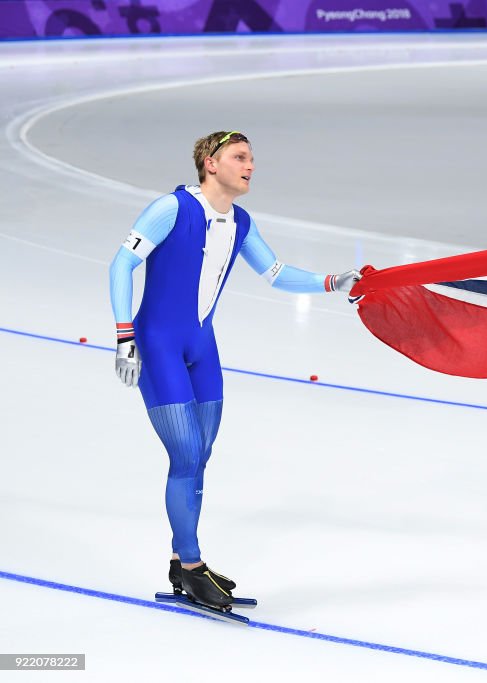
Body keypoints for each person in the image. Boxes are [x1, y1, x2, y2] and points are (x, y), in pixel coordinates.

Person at [108, 131, 358, 608]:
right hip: (158, 345)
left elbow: (277, 272)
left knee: (200, 457)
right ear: (210, 162)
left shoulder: (240, 221)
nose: (251, 166)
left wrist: (331, 281)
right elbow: (121, 265)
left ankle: (184, 565)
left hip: (203, 348)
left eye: (252, 158)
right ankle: (193, 564)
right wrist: (124, 337)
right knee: (185, 455)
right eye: (240, 157)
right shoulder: (171, 209)